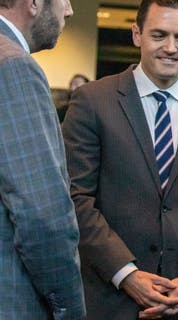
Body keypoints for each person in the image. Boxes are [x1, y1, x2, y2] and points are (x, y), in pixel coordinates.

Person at [62, 0, 178, 318]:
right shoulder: (92, 102)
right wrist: (126, 274)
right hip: (109, 300)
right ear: (137, 35)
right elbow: (75, 199)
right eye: (159, 35)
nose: (171, 48)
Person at [0, 0, 85, 319]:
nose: (69, 10)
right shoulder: (14, 67)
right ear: (34, 3)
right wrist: (70, 308)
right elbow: (43, 216)